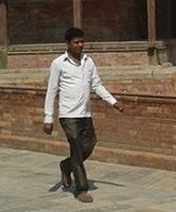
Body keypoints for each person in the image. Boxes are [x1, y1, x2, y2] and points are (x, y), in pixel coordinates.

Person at [43, 27, 124, 203]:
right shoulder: (59, 63)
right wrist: (48, 117)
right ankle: (81, 189)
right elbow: (52, 90)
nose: (80, 45)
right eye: (76, 42)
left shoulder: (88, 62)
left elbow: (97, 85)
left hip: (85, 114)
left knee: (89, 144)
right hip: (68, 115)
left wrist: (113, 102)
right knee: (77, 148)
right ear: (68, 44)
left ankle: (66, 165)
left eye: (82, 42)